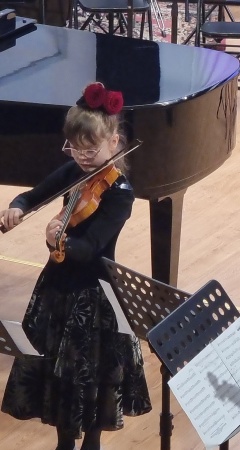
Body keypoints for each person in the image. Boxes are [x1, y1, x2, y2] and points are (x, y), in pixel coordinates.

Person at [0, 82, 151, 450]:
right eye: (75, 148)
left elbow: (90, 248)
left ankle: (91, 443)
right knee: (59, 377)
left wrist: (59, 240)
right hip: (58, 287)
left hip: (94, 294)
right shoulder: (73, 172)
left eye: (91, 149)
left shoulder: (119, 193)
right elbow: (33, 195)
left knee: (90, 380)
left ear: (114, 142)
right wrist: (17, 207)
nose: (82, 157)